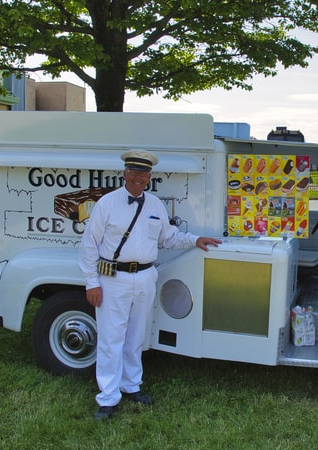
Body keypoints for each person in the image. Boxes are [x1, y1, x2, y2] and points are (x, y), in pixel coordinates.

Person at [79, 150, 221, 421]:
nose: (137, 178)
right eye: (133, 173)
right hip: (112, 280)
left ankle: (131, 386)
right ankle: (108, 399)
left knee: (136, 336)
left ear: (149, 177)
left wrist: (195, 240)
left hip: (145, 278)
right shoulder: (107, 204)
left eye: (143, 175)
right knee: (111, 339)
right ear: (124, 174)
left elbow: (168, 238)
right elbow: (89, 246)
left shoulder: (155, 205)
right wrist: (91, 283)